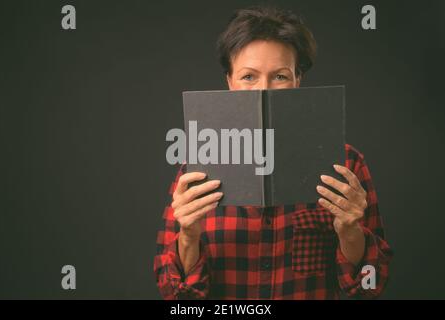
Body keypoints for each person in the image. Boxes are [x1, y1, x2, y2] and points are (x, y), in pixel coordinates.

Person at [154, 6, 392, 299]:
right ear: (229, 81)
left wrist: (350, 231)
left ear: (297, 81)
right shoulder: (197, 169)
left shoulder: (345, 164)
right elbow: (175, 295)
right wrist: (189, 236)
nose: (263, 91)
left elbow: (371, 287)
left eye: (280, 76)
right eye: (248, 77)